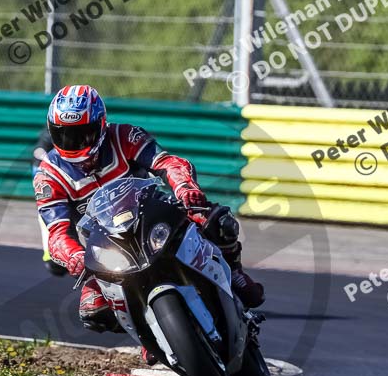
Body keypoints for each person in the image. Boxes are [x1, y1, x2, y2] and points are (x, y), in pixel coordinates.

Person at [34, 85, 264, 361]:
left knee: (216, 220)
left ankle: (235, 272)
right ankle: (151, 334)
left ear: (101, 125)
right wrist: (73, 256)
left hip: (152, 214)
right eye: (64, 134)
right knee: (93, 311)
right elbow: (56, 232)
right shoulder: (48, 176)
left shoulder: (124, 136)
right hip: (103, 244)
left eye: (82, 133)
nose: (74, 142)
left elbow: (168, 162)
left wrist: (185, 187)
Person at [31, 129, 68, 276]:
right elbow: (38, 154)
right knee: (47, 211)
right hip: (52, 176)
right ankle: (51, 253)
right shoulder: (50, 135)